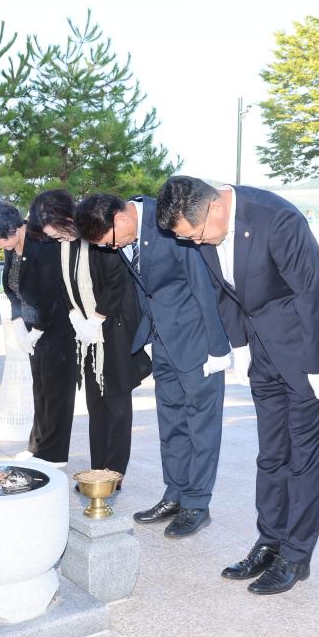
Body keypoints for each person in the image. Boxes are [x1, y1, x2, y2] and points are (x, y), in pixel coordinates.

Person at [157, 175, 319, 596]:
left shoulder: (276, 219)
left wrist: (318, 364)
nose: (197, 245)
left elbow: (311, 291)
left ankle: (296, 556)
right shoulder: (204, 236)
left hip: (310, 345)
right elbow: (225, 292)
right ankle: (269, 541)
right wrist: (238, 344)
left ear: (215, 207)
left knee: (304, 458)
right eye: (188, 241)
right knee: (272, 454)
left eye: (197, 235)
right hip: (264, 348)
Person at [74, 193, 229, 538]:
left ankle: (196, 504)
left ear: (120, 218)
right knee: (171, 421)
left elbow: (202, 284)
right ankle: (174, 494)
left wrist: (219, 347)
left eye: (108, 241)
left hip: (196, 340)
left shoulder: (168, 220)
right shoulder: (129, 232)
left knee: (200, 426)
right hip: (163, 340)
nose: (111, 249)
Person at [27, 190, 151, 481]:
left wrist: (96, 319)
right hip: (86, 331)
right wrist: (75, 316)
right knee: (96, 403)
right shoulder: (66, 243)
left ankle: (113, 475)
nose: (59, 240)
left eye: (59, 233)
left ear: (69, 219)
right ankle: (98, 471)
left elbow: (116, 281)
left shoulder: (96, 235)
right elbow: (65, 283)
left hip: (115, 328)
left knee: (116, 404)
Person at [0, 198, 76, 466]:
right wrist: (17, 319)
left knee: (57, 391)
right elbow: (11, 285)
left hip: (57, 327)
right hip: (32, 327)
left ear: (8, 228)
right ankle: (37, 445)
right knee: (39, 387)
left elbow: (52, 292)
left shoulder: (43, 242)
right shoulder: (12, 246)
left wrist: (38, 329)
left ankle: (54, 454)